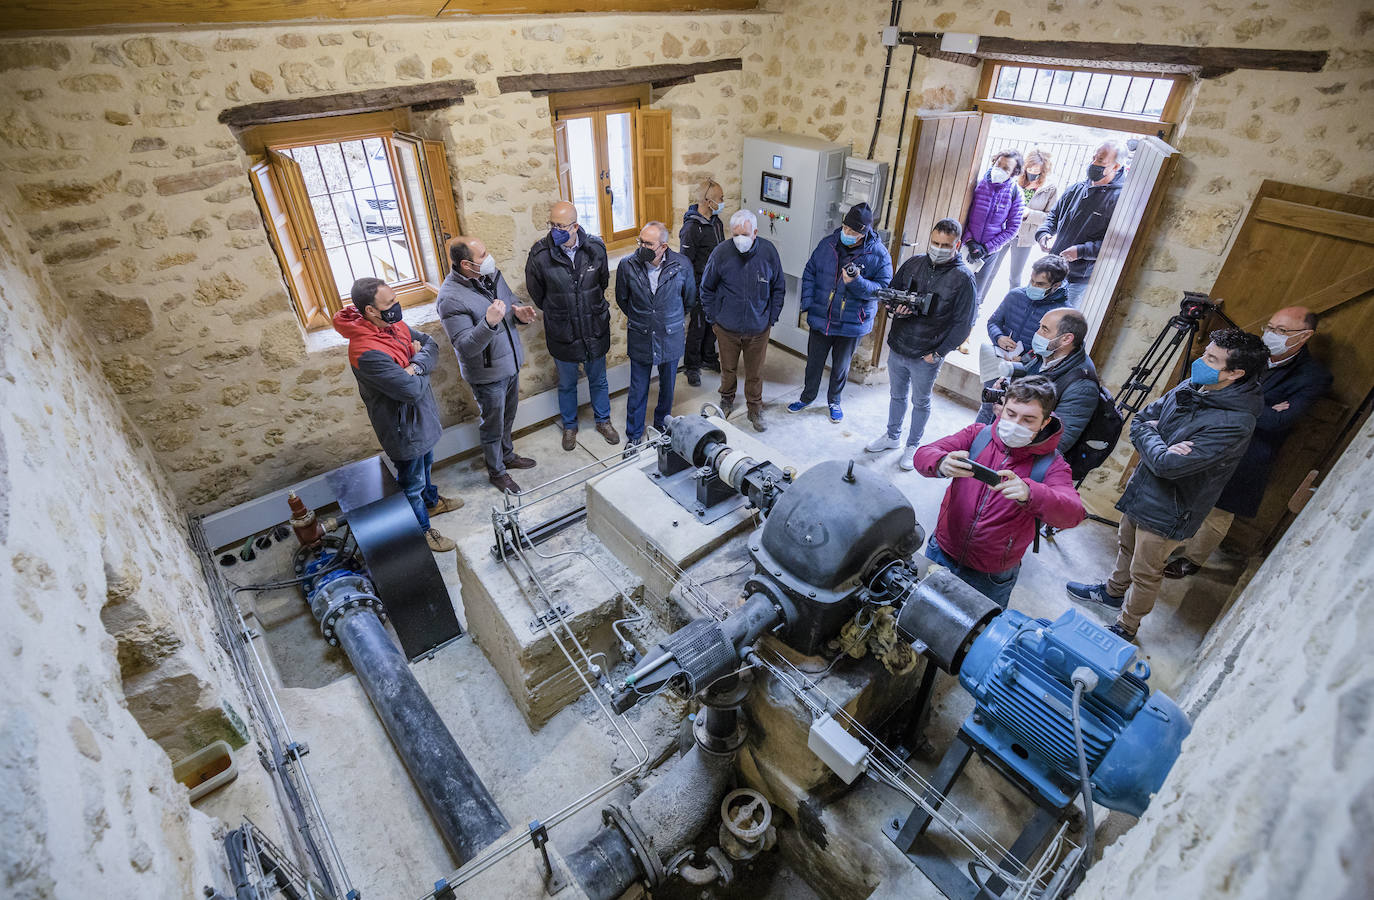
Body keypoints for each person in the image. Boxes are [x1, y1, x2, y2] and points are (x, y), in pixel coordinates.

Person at [1067, 328, 1269, 641]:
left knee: (1146, 570)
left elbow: (1168, 465)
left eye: (1212, 359)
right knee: (1126, 545)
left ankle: (1127, 625)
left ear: (1235, 373)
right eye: (1205, 353)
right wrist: (1157, 439)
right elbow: (1141, 420)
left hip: (1173, 506)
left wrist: (1155, 438)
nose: (1201, 362)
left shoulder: (1236, 423)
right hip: (1144, 488)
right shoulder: (1196, 384)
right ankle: (1111, 592)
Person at [1164, 307, 1332, 578]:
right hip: (1207, 434)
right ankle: (1163, 543)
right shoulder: (1251, 353)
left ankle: (1193, 559)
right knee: (1182, 495)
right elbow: (1208, 384)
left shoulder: (1312, 376)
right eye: (1270, 327)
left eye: (1281, 331)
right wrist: (1259, 407)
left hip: (1250, 450)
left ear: (1304, 336)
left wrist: (1230, 400)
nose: (1271, 335)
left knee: (1218, 513)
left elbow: (1280, 421)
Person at [913, 376, 1086, 608]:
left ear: (1044, 423)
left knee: (973, 631)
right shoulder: (977, 435)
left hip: (991, 574)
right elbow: (923, 453)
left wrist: (1031, 492)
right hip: (942, 549)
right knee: (922, 611)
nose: (1016, 424)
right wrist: (941, 462)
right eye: (1011, 414)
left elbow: (1073, 513)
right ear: (1001, 408)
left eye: (1028, 420)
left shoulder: (1052, 466)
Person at [334, 277, 462, 552]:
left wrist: (415, 366)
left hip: (421, 418)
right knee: (411, 482)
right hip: (403, 428)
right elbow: (410, 392)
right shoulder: (366, 351)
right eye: (389, 303)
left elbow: (430, 344)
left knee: (427, 466)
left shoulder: (392, 325)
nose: (396, 306)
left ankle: (432, 503)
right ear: (370, 310)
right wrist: (421, 367)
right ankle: (422, 531)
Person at [865, 218, 977, 469]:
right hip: (900, 345)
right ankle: (893, 437)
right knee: (896, 395)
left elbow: (964, 324)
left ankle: (912, 446)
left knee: (920, 401)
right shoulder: (913, 264)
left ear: (956, 245)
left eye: (945, 245)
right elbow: (891, 295)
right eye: (935, 242)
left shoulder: (963, 279)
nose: (938, 248)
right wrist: (898, 309)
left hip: (927, 354)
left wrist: (938, 352)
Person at [437, 236, 539, 494]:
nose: (489, 257)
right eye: (482, 255)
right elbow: (466, 346)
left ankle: (507, 456)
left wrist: (518, 313)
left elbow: (509, 301)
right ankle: (497, 471)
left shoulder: (491, 275)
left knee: (508, 417)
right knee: (492, 425)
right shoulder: (450, 298)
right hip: (487, 375)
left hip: (510, 363)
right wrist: (489, 323)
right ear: (465, 264)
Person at [525, 200, 619, 451]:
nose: (554, 230)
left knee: (598, 380)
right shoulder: (540, 255)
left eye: (560, 225)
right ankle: (570, 426)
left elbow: (602, 283)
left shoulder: (595, 249)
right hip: (562, 332)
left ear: (575, 226)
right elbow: (537, 293)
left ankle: (603, 420)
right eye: (551, 224)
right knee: (567, 383)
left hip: (593, 328)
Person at [787, 202, 893, 422]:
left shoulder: (879, 255)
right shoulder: (828, 244)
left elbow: (882, 291)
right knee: (813, 363)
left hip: (851, 323)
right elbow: (810, 272)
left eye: (853, 231)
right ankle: (807, 397)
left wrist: (857, 282)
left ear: (864, 233)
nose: (847, 233)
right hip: (821, 317)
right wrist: (808, 305)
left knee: (841, 367)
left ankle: (834, 401)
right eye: (845, 227)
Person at [700, 209, 785, 432]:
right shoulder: (721, 253)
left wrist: (771, 318)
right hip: (727, 328)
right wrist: (714, 318)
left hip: (758, 329)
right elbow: (706, 288)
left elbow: (778, 287)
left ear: (755, 232)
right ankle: (726, 400)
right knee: (727, 369)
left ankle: (755, 407)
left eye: (745, 234)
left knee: (755, 372)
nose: (740, 240)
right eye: (735, 234)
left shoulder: (768, 253)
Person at [616, 221, 697, 450]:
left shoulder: (681, 265)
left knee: (667, 385)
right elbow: (623, 299)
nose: (642, 246)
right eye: (640, 241)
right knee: (638, 387)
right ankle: (633, 435)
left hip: (670, 335)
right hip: (640, 334)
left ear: (663, 246)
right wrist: (644, 318)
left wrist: (667, 318)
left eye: (648, 243)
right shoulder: (627, 265)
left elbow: (689, 299)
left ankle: (662, 425)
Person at [1034, 140, 1127, 307]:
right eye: (1093, 158)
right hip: (1052, 269)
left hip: (1079, 280)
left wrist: (1082, 251)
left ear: (1116, 166)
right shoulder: (1076, 188)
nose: (1093, 163)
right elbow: (1053, 216)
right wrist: (1044, 234)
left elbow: (1116, 244)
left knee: (1061, 323)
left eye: (1100, 161)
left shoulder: (1120, 200)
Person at [679, 179, 726, 386]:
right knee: (697, 327)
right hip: (699, 284)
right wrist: (690, 288)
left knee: (712, 325)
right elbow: (685, 261)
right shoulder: (691, 228)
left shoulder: (716, 222)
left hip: (716, 284)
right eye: (720, 199)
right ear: (708, 201)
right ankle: (692, 366)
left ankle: (709, 357)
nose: (723, 202)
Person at [963, 149, 1025, 300]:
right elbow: (963, 214)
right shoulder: (977, 184)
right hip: (966, 246)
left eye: (1006, 168)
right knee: (957, 287)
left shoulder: (1016, 193)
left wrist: (987, 248)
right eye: (999, 164)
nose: (1000, 169)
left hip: (989, 252)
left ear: (1014, 173)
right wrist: (969, 241)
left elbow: (1013, 229)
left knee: (975, 295)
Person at [985, 254, 1071, 361]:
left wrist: (1025, 360)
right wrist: (998, 337)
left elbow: (1056, 349)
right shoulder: (1015, 295)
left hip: (1029, 370)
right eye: (1032, 281)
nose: (1033, 286)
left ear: (1056, 285)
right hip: (1000, 358)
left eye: (1040, 284)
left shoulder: (1063, 313)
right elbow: (993, 322)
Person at [1003, 149, 1058, 289]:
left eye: (1037, 170)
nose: (1032, 172)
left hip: (1025, 238)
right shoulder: (1015, 181)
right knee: (988, 270)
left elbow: (1050, 217)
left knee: (1015, 276)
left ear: (1043, 170)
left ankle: (1013, 305)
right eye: (1030, 168)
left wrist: (1029, 214)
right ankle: (978, 302)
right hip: (1004, 231)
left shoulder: (1050, 189)